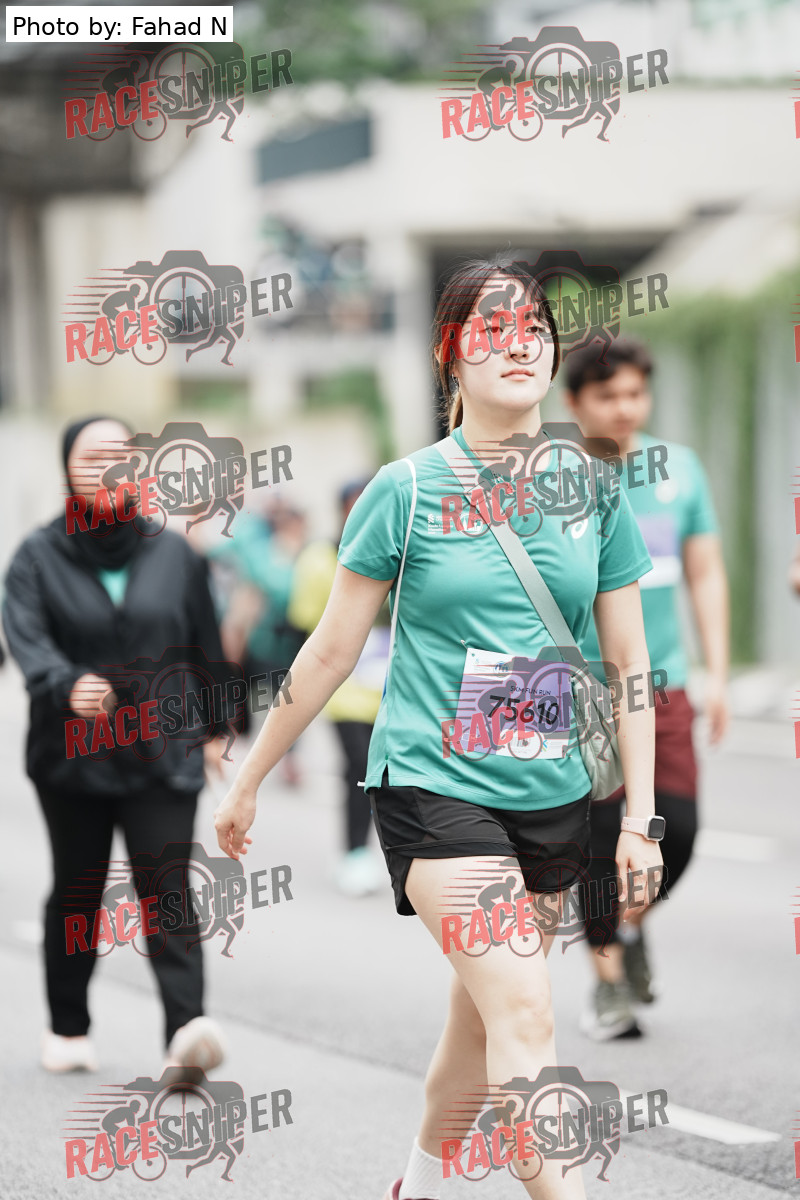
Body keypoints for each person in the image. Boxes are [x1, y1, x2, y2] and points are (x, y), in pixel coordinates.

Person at [213, 257, 663, 1200]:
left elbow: (628, 663)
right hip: (434, 786)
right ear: (450, 355)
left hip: (553, 793)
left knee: (480, 1023)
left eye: (533, 330)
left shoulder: (594, 488)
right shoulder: (406, 491)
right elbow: (330, 653)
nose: (518, 345)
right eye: (491, 330)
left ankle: (415, 1187)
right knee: (528, 1015)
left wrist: (638, 821)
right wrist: (248, 778)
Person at [2, 416, 229, 1074]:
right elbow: (25, 637)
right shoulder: (36, 556)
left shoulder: (175, 555)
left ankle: (185, 1034)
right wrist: (64, 682)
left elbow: (205, 646)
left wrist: (219, 730)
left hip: (164, 751)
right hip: (72, 757)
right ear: (67, 470)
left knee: (168, 889)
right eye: (92, 456)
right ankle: (68, 1026)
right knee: (78, 890)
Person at [564, 339, 729, 1039]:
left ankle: (629, 928)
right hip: (583, 690)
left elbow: (705, 573)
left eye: (635, 393)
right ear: (573, 402)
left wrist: (716, 672)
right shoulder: (556, 477)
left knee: (678, 832)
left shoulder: (679, 470)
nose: (624, 408)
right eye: (608, 396)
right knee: (602, 843)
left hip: (666, 685)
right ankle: (606, 985)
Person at [287, 480, 388, 897]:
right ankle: (354, 853)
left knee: (387, 775)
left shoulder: (402, 550)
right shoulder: (318, 559)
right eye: (354, 505)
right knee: (358, 766)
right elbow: (302, 624)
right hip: (343, 685)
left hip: (390, 683)